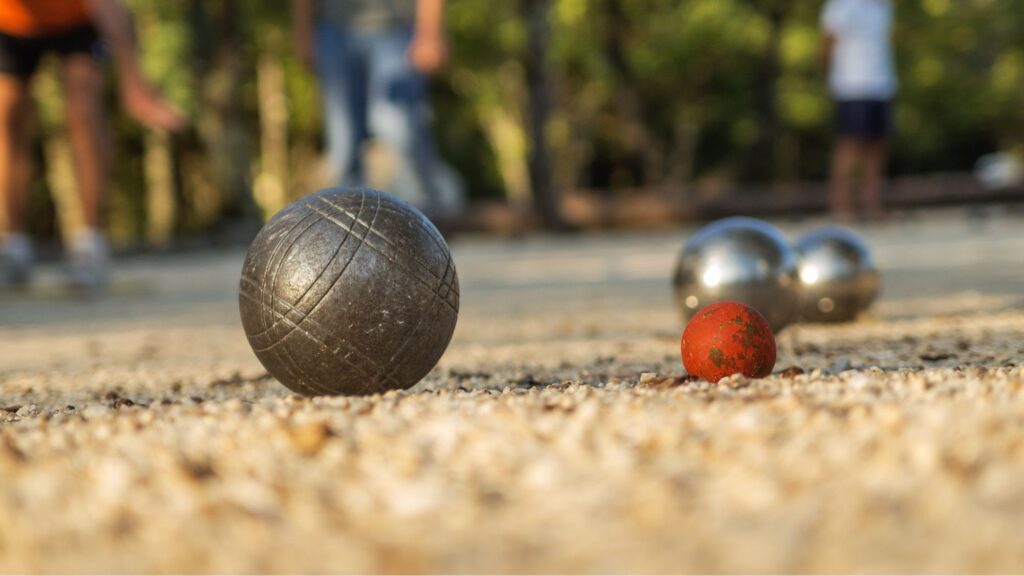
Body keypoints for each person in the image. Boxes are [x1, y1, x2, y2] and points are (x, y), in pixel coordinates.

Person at [0, 0, 184, 290]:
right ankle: (14, 247)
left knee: (83, 109)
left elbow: (107, 5)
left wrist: (132, 80)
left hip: (77, 17)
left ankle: (90, 244)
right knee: (8, 114)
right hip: (9, 21)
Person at [293, 0, 459, 223]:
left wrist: (430, 32)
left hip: (395, 29)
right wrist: (303, 31)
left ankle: (430, 219)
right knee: (343, 141)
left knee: (398, 126)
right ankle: (347, 225)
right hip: (334, 30)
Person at [820, 0, 896, 221]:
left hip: (881, 86)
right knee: (850, 146)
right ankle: (841, 208)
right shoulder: (843, 5)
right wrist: (828, 77)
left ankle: (871, 205)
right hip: (852, 85)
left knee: (877, 146)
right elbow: (827, 41)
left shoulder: (884, 7)